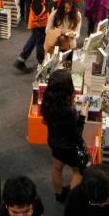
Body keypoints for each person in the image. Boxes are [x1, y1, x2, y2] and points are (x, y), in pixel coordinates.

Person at [42, 69, 87, 202]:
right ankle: (73, 200)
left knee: (57, 167)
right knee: (78, 172)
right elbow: (76, 133)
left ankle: (59, 194)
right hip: (69, 146)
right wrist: (82, 116)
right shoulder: (68, 111)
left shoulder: (47, 102)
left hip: (54, 142)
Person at [15, 0, 56, 72]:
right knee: (38, 38)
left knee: (37, 37)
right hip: (39, 20)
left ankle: (29, 60)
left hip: (30, 15)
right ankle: (31, 61)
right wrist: (52, 1)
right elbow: (41, 11)